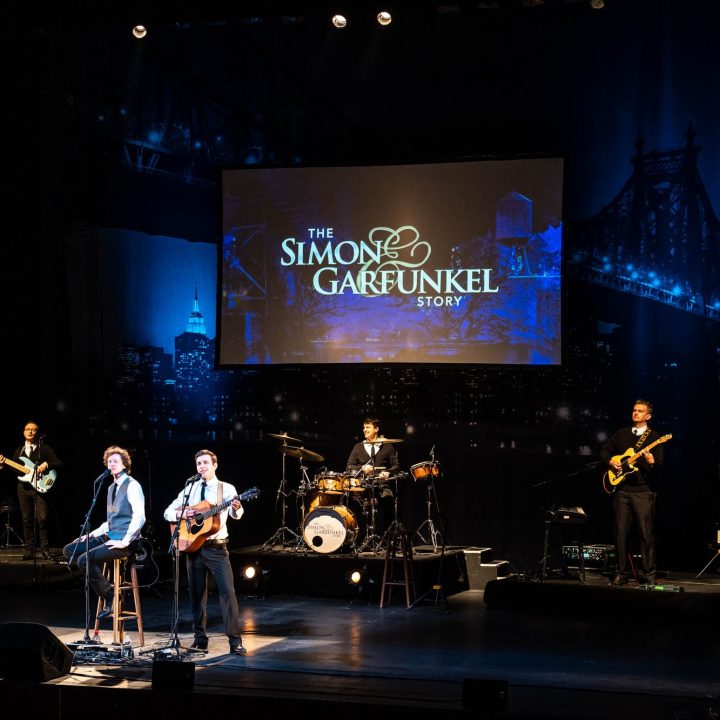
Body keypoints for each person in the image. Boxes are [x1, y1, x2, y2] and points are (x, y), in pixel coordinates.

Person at [163, 449, 246, 655]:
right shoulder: (190, 488)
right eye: (199, 463)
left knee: (227, 593)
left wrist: (236, 506)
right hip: (193, 548)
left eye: (206, 463)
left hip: (216, 548)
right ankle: (200, 640)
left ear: (215, 465)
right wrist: (182, 512)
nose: (202, 466)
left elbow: (238, 514)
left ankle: (235, 642)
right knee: (196, 596)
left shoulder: (225, 488)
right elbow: (167, 512)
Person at [63, 446, 146, 616]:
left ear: (124, 464)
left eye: (116, 461)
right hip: (110, 536)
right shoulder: (110, 488)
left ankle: (111, 596)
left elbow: (140, 517)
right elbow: (110, 521)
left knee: (84, 560)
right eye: (109, 462)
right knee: (70, 550)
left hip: (125, 541)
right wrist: (90, 535)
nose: (112, 464)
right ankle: (104, 584)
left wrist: (125, 541)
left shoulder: (132, 485)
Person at [600, 399, 664, 587]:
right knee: (620, 534)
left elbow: (659, 466)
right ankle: (620, 572)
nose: (635, 413)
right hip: (622, 491)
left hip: (643, 492)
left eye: (640, 411)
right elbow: (604, 451)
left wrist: (651, 461)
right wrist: (611, 461)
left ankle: (648, 573)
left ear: (648, 416)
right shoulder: (621, 434)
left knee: (646, 534)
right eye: (634, 410)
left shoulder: (654, 437)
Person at [0, 421, 63, 560]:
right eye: (28, 429)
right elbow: (15, 470)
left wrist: (46, 464)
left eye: (34, 430)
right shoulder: (19, 450)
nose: (30, 432)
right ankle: (29, 550)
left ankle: (45, 549)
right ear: (23, 432)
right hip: (23, 488)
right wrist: (4, 464)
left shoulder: (44, 448)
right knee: (26, 519)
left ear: (37, 433)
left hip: (40, 488)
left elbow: (58, 463)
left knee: (43, 519)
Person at [345, 417, 400, 536]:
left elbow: (396, 466)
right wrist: (362, 469)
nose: (364, 430)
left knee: (387, 500)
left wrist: (388, 472)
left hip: (382, 485)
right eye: (364, 427)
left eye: (368, 427)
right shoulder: (358, 447)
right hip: (363, 486)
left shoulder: (387, 446)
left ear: (376, 429)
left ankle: (385, 537)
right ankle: (361, 536)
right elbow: (349, 467)